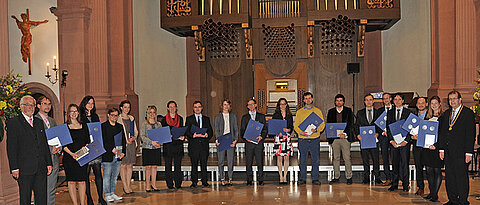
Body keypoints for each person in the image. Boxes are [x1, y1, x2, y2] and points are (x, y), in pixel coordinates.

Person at [6, 95, 52, 205]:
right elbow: (11, 147)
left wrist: (49, 163)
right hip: (24, 169)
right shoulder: (14, 123)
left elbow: (44, 144)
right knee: (25, 198)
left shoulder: (38, 122)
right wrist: (14, 167)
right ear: (21, 107)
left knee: (42, 198)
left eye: (32, 105)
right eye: (28, 105)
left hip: (40, 167)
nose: (31, 107)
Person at [434, 91, 475, 205]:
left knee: (461, 177)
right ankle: (452, 200)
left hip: (462, 152)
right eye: (450, 99)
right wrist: (441, 149)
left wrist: (469, 152)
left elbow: (470, 134)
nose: (452, 101)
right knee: (450, 177)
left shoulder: (468, 113)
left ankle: (463, 201)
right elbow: (442, 133)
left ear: (460, 99)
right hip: (448, 151)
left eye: (454, 99)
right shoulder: (447, 114)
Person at [79, 96, 106, 205]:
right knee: (85, 175)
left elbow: (98, 131)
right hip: (85, 148)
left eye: (93, 103)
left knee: (98, 173)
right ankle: (89, 198)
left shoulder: (95, 116)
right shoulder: (80, 116)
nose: (91, 105)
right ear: (84, 103)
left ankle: (100, 197)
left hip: (95, 147)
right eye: (89, 103)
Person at [293, 92, 325, 185]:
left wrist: (317, 130)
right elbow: (296, 126)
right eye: (306, 98)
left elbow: (322, 124)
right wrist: (301, 132)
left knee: (315, 159)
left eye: (309, 98)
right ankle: (302, 178)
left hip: (315, 138)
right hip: (303, 139)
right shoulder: (299, 112)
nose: (308, 100)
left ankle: (315, 178)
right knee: (303, 159)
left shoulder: (318, 111)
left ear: (312, 99)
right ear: (303, 100)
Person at [63, 104, 91, 205]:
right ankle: (75, 203)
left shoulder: (84, 126)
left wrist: (83, 151)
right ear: (68, 113)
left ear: (78, 113)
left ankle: (83, 203)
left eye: (75, 111)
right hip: (69, 158)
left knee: (82, 181)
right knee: (71, 182)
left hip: (82, 157)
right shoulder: (65, 126)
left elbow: (88, 141)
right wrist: (72, 154)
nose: (74, 113)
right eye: (71, 111)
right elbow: (63, 144)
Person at [35, 96, 60, 205]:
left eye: (49, 104)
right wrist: (51, 148)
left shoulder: (52, 121)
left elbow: (58, 138)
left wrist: (59, 147)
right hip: (41, 161)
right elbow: (37, 142)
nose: (48, 106)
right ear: (38, 106)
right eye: (44, 103)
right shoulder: (35, 121)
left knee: (51, 189)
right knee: (40, 189)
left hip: (54, 159)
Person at [355, 94, 383, 185]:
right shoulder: (360, 113)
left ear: (373, 101)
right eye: (366, 100)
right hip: (364, 140)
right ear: (364, 102)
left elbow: (380, 124)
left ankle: (377, 177)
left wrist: (378, 133)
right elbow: (356, 126)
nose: (368, 102)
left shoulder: (378, 112)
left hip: (374, 139)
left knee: (376, 159)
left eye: (370, 100)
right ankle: (366, 177)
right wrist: (358, 134)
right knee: (365, 159)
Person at [386, 93, 413, 192]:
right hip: (394, 143)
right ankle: (394, 184)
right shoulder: (389, 112)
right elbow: (388, 127)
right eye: (395, 99)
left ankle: (406, 185)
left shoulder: (409, 112)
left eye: (399, 99)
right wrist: (391, 140)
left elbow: (411, 128)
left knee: (405, 164)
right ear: (393, 101)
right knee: (395, 164)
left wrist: (406, 140)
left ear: (403, 101)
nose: (397, 101)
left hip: (404, 143)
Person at [326, 94, 354, 185]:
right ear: (335, 102)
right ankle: (336, 176)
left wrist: (345, 133)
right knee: (336, 158)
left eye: (341, 100)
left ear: (343, 102)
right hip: (335, 139)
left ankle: (349, 177)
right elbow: (329, 125)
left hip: (345, 138)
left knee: (347, 158)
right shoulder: (331, 111)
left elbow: (350, 124)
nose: (339, 102)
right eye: (337, 100)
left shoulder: (348, 111)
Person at [186, 101, 213, 188]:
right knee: (194, 165)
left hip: (203, 146)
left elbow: (210, 131)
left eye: (199, 107)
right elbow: (187, 131)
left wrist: (207, 135)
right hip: (194, 146)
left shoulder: (206, 119)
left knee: (204, 165)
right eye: (195, 107)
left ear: (202, 108)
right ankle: (194, 182)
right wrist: (192, 135)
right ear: (193, 109)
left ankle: (204, 181)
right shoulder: (189, 119)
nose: (197, 109)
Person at [240, 98, 267, 186]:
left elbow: (265, 129)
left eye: (252, 104)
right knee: (248, 162)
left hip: (259, 143)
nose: (250, 106)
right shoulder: (245, 117)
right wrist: (246, 137)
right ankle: (249, 179)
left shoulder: (261, 116)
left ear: (255, 105)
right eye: (249, 105)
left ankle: (261, 179)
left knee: (260, 162)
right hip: (249, 143)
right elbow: (242, 130)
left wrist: (261, 136)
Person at [101, 108, 126, 202]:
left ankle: (112, 193)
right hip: (108, 155)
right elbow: (103, 141)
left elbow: (123, 140)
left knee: (115, 176)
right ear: (108, 115)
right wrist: (111, 149)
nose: (114, 117)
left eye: (116, 115)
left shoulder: (119, 126)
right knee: (107, 176)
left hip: (118, 155)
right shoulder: (103, 126)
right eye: (112, 115)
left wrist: (123, 152)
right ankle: (107, 194)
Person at [422, 96, 444, 202]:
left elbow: (443, 134)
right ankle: (431, 193)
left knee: (437, 171)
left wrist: (436, 145)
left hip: (437, 147)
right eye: (432, 103)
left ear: (439, 104)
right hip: (427, 148)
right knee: (429, 170)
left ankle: (435, 194)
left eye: (436, 103)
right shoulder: (427, 116)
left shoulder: (443, 117)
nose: (434, 105)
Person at [161, 100, 186, 189]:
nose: (172, 108)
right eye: (170, 107)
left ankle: (178, 183)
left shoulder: (180, 118)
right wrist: (170, 135)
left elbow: (182, 130)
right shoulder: (164, 120)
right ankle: (170, 184)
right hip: (168, 146)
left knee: (177, 166)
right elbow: (164, 133)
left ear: (176, 108)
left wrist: (183, 136)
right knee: (168, 166)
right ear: (168, 108)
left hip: (178, 145)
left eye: (174, 107)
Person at [214, 99, 239, 186]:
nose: (226, 106)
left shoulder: (233, 116)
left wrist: (235, 140)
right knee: (221, 161)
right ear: (222, 106)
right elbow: (216, 129)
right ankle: (222, 178)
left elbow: (236, 129)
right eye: (225, 104)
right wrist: (217, 139)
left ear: (230, 106)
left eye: (228, 105)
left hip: (230, 141)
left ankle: (230, 178)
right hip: (221, 140)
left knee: (230, 161)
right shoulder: (218, 117)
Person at [117, 100, 138, 194]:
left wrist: (134, 137)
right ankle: (125, 186)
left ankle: (129, 185)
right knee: (123, 165)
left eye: (128, 107)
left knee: (130, 165)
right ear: (121, 108)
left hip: (131, 144)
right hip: (123, 144)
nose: (127, 109)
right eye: (125, 107)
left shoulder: (131, 118)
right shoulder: (118, 118)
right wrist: (126, 140)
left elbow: (135, 131)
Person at [139, 106, 162, 192]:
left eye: (154, 112)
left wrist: (159, 142)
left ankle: (154, 184)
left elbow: (161, 136)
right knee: (148, 167)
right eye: (150, 112)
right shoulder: (144, 124)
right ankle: (148, 185)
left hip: (156, 148)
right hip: (147, 148)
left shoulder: (159, 124)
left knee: (154, 167)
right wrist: (151, 142)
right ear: (148, 114)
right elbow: (142, 136)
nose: (152, 114)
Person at [272, 98, 294, 185]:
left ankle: (285, 176)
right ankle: (280, 176)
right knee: (279, 157)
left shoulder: (289, 115)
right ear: (278, 105)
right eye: (281, 104)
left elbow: (291, 127)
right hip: (279, 138)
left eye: (284, 104)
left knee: (286, 157)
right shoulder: (275, 115)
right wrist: (278, 132)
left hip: (287, 138)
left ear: (286, 105)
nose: (282, 106)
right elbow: (273, 127)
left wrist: (288, 130)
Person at [410, 97, 428, 196]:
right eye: (419, 103)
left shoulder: (430, 116)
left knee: (429, 168)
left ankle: (432, 188)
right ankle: (420, 187)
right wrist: (412, 136)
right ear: (416, 105)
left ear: (426, 104)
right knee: (418, 167)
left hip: (427, 146)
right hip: (417, 145)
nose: (420, 105)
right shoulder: (413, 117)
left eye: (422, 103)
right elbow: (409, 129)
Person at [378, 93, 393, 185]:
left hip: (394, 137)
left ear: (391, 99)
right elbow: (377, 124)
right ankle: (388, 177)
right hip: (383, 137)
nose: (386, 100)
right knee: (385, 157)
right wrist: (383, 132)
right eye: (384, 99)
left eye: (387, 98)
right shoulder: (379, 110)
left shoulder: (395, 110)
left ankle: (396, 177)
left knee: (395, 157)